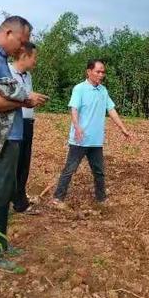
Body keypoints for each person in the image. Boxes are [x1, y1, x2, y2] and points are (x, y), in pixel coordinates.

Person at [0, 16, 48, 269]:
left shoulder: (0, 58)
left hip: (9, 136)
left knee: (4, 193)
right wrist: (24, 101)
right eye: (21, 41)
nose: (22, 49)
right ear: (8, 33)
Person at [52, 59, 131, 207]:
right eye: (98, 71)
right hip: (80, 139)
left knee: (99, 171)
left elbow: (111, 110)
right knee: (70, 169)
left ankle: (101, 199)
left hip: (96, 140)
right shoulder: (79, 89)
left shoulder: (103, 90)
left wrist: (123, 129)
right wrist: (77, 127)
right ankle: (57, 198)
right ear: (89, 72)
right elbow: (73, 109)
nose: (101, 75)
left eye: (103, 72)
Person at [9, 42, 38, 213]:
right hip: (13, 123)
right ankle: (10, 199)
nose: (35, 61)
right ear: (25, 56)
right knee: (11, 164)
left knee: (24, 164)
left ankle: (19, 199)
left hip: (27, 123)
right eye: (34, 57)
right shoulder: (6, 72)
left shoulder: (28, 76)